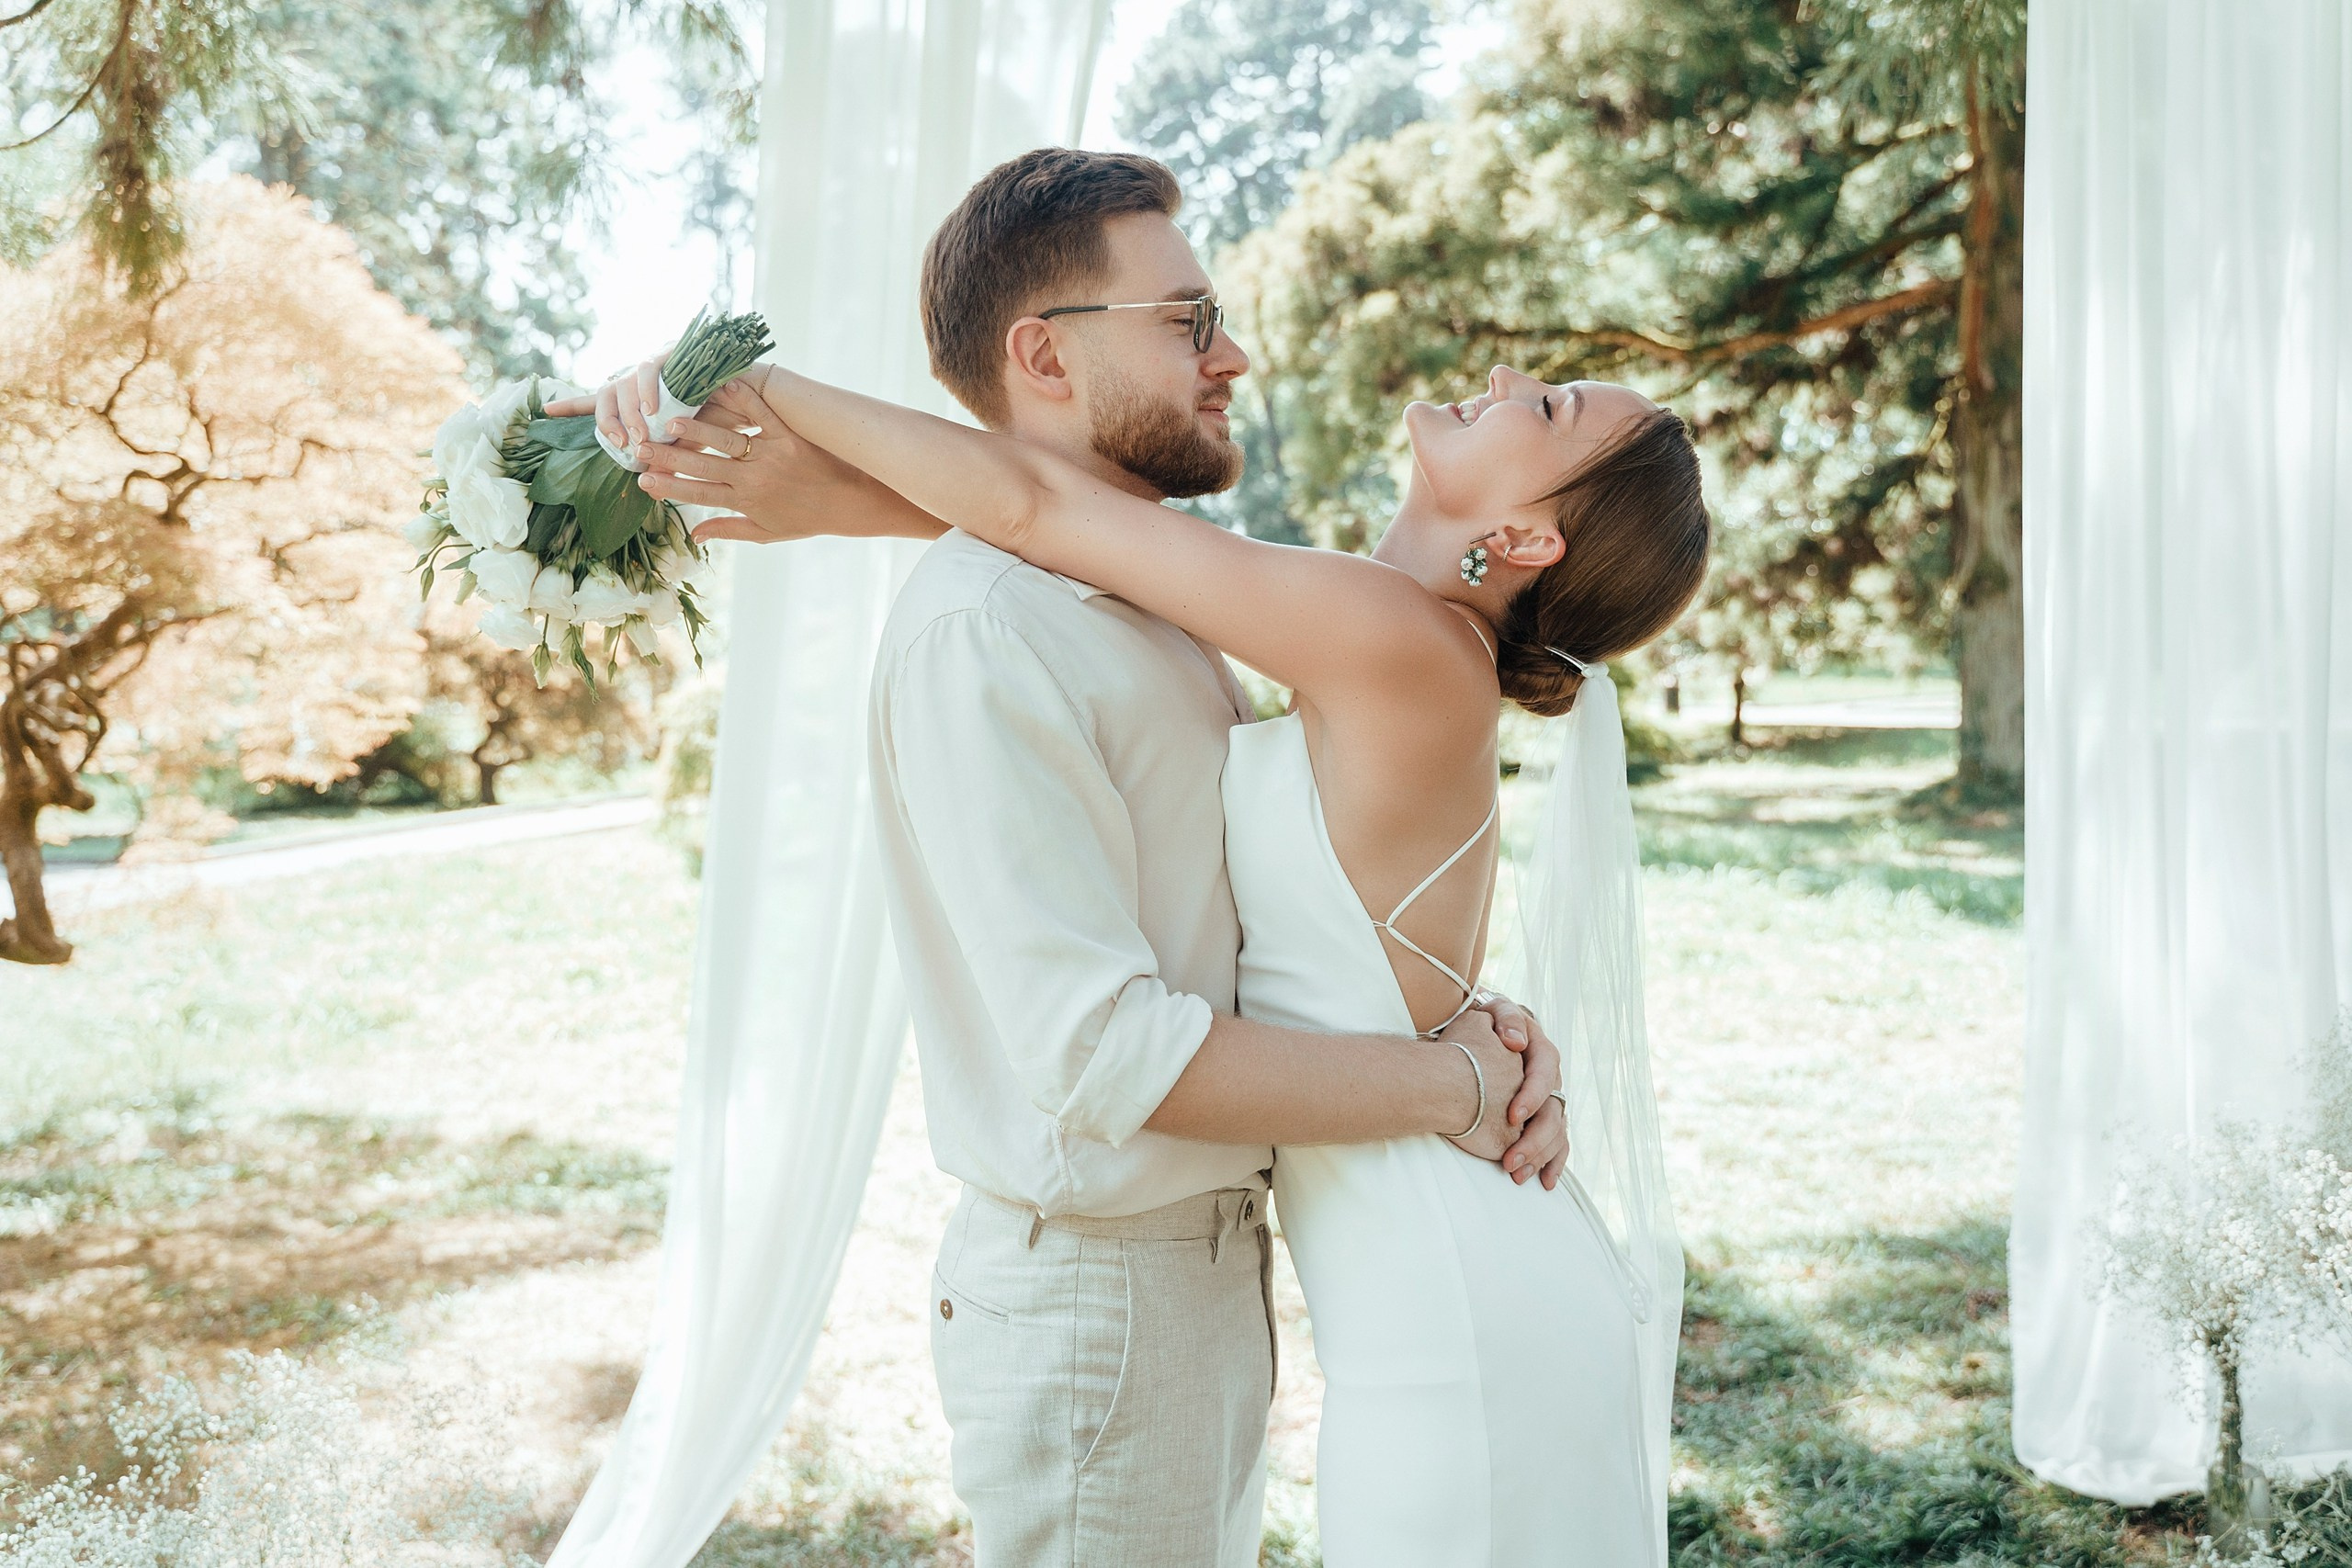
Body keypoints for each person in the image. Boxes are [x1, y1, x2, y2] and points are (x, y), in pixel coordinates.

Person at [553, 148, 1585, 1566]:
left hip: (1214, 1267)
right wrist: (1450, 1076)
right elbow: (1104, 1057)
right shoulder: (988, 635)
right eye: (1186, 320)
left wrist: (1446, 1016)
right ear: (1042, 351)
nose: (1234, 354)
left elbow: (1053, 521)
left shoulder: (1149, 592)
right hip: (1106, 1293)